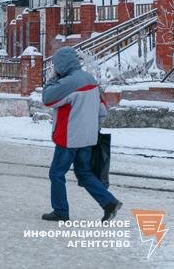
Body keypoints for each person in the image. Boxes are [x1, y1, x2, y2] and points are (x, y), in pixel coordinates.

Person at [40, 47, 121, 222]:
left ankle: (61, 211)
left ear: (61, 65)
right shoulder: (90, 79)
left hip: (69, 138)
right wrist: (93, 129)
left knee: (56, 173)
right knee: (84, 173)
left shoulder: (67, 83)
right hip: (88, 138)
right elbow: (102, 110)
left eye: (56, 65)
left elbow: (47, 99)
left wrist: (52, 80)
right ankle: (109, 203)